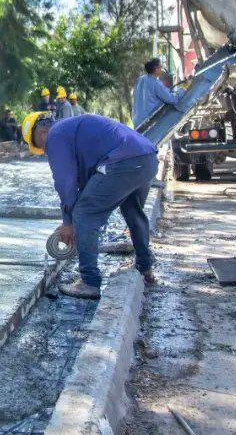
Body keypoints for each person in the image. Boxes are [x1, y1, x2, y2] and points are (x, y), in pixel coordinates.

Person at [22, 111, 157, 299]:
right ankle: (145, 267)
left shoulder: (55, 136)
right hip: (146, 158)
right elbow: (86, 184)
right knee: (133, 211)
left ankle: (89, 282)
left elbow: (66, 183)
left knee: (84, 214)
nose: (44, 150)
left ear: (41, 132)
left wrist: (69, 223)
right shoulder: (72, 128)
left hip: (122, 162)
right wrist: (69, 220)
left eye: (39, 145)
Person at [132, 57, 182, 128]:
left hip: (136, 121)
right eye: (160, 67)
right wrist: (181, 91)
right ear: (156, 68)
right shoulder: (155, 83)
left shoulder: (140, 79)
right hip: (148, 122)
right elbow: (172, 99)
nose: (161, 69)